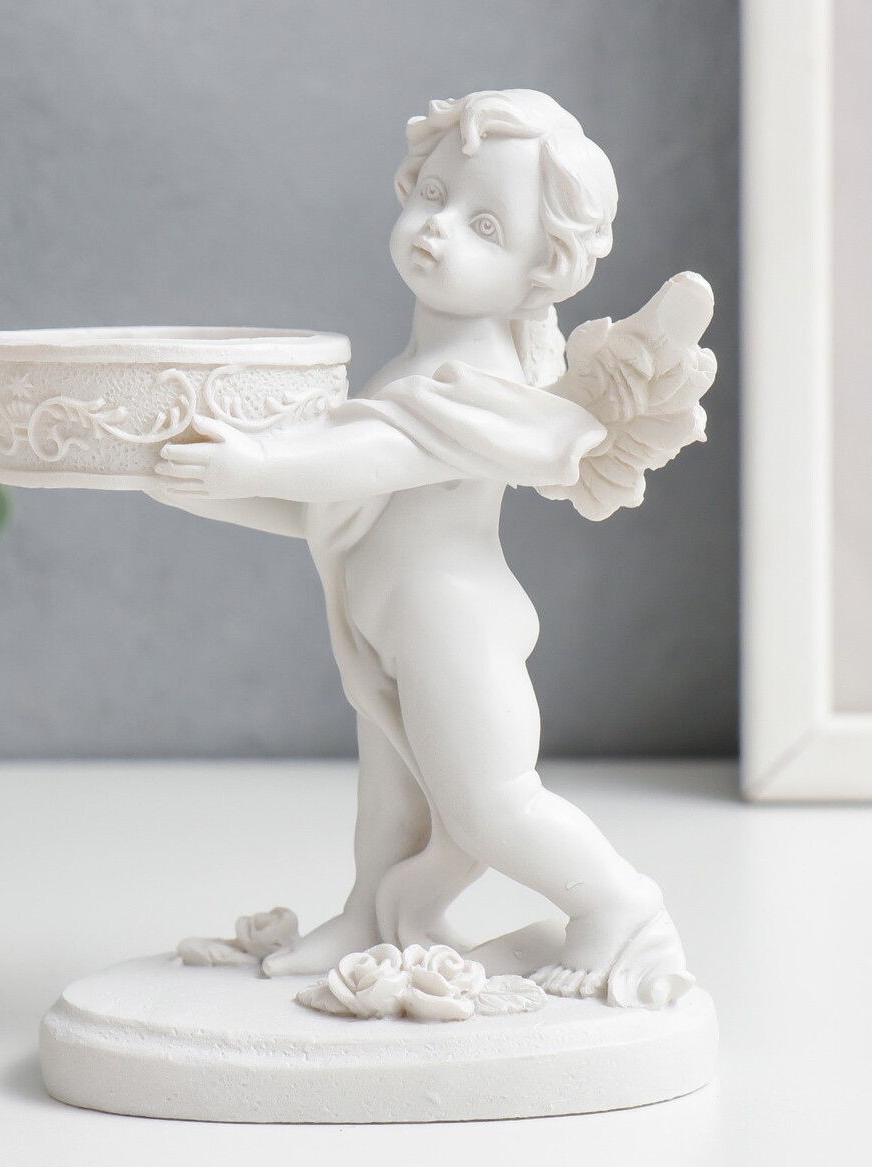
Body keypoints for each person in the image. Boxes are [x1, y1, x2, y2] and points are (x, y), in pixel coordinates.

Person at [151, 90, 714, 1007]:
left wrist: (257, 459)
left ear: (542, 270)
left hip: (454, 628)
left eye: (486, 225)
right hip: (394, 629)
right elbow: (340, 506)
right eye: (434, 193)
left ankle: (622, 907)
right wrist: (212, 489)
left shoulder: (477, 383)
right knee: (390, 809)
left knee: (494, 805)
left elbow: (383, 452)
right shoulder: (409, 372)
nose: (436, 226)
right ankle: (375, 915)